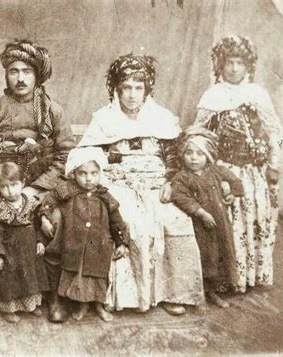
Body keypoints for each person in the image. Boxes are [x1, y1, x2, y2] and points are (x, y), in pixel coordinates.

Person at [79, 53, 205, 315]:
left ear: (147, 91)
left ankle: (172, 292)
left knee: (175, 218)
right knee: (128, 220)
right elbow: (90, 156)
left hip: (157, 184)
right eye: (126, 88)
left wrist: (171, 182)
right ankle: (125, 297)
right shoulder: (104, 119)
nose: (132, 95)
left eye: (139, 88)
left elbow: (174, 155)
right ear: (116, 89)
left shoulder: (161, 117)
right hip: (119, 183)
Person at [0, 39, 75, 329]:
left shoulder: (52, 111)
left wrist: (34, 190)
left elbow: (64, 156)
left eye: (26, 70)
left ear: (37, 75)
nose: (20, 78)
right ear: (6, 75)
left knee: (57, 218)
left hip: (39, 182)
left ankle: (52, 293)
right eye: (14, 71)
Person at [194, 35, 283, 292]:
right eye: (229, 62)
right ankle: (230, 279)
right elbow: (199, 134)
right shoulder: (213, 96)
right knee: (230, 222)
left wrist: (273, 164)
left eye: (240, 63)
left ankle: (254, 276)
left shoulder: (258, 94)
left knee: (258, 218)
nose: (234, 68)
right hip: (225, 169)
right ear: (220, 65)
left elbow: (275, 132)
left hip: (256, 171)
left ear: (248, 66)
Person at [39, 147, 130, 322]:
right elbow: (48, 203)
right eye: (83, 173)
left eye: (94, 173)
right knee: (79, 276)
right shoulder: (66, 190)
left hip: (98, 246)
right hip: (75, 244)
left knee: (96, 276)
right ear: (73, 173)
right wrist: (44, 218)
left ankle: (98, 305)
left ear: (99, 173)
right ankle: (81, 305)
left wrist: (121, 242)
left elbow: (116, 220)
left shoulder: (104, 196)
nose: (88, 179)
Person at [171, 127, 244, 307]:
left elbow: (237, 182)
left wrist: (231, 194)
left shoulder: (217, 171)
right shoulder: (182, 177)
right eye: (189, 153)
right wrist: (200, 212)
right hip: (199, 225)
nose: (194, 158)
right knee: (206, 255)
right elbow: (180, 197)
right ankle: (205, 291)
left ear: (209, 156)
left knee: (222, 251)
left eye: (200, 154)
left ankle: (220, 289)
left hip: (220, 221)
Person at [0, 162, 49, 323]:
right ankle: (8, 309)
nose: (10, 191)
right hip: (10, 252)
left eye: (14, 185)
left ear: (23, 183)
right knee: (10, 282)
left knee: (30, 278)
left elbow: (37, 226)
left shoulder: (32, 204)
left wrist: (40, 242)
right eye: (4, 187)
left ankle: (31, 305)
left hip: (29, 249)